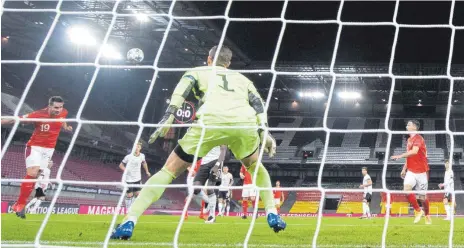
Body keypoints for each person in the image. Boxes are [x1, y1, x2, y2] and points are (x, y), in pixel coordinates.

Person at [111, 45, 285, 240]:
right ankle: (272, 212)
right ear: (228, 63)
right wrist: (265, 131)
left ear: (208, 60)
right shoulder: (243, 80)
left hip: (209, 123)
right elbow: (258, 104)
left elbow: (181, 90)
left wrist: (169, 115)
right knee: (255, 166)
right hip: (243, 124)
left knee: (168, 171)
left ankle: (129, 220)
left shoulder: (197, 72)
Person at [1, 96, 72, 218]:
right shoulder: (38, 114)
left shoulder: (63, 112)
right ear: (49, 106)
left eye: (60, 107)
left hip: (49, 150)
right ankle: (21, 205)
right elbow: (15, 120)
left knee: (36, 176)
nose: (59, 110)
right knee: (32, 173)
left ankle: (18, 204)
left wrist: (65, 127)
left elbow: (63, 118)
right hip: (35, 147)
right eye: (56, 107)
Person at [391, 120, 431, 224]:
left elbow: (414, 152)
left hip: (422, 172)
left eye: (409, 124)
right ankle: (418, 211)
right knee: (406, 189)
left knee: (423, 198)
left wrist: (399, 156)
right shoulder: (409, 139)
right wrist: (404, 169)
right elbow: (409, 157)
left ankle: (427, 215)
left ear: (414, 127)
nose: (406, 126)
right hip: (411, 171)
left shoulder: (419, 138)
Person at [119, 141, 150, 211]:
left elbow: (144, 163)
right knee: (129, 195)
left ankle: (133, 209)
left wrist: (147, 171)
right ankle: (128, 209)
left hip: (137, 179)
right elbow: (121, 165)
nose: (136, 148)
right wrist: (125, 170)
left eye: (138, 147)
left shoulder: (142, 156)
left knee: (138, 194)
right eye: (135, 147)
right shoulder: (128, 157)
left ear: (140, 148)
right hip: (129, 179)